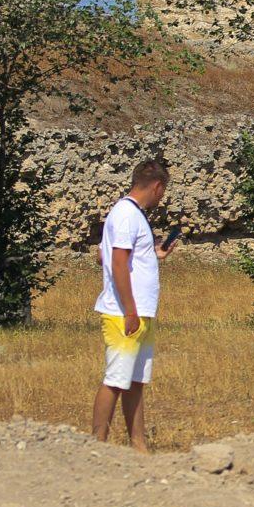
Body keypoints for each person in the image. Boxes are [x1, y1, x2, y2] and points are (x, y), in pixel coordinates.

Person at [91, 158, 174, 453]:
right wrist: (129, 310)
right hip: (124, 313)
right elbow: (117, 262)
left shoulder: (130, 215)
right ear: (157, 186)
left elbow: (105, 255)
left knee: (135, 381)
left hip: (139, 312)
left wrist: (154, 254)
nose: (161, 197)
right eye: (163, 192)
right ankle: (97, 447)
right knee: (115, 380)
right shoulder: (126, 214)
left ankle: (138, 445)